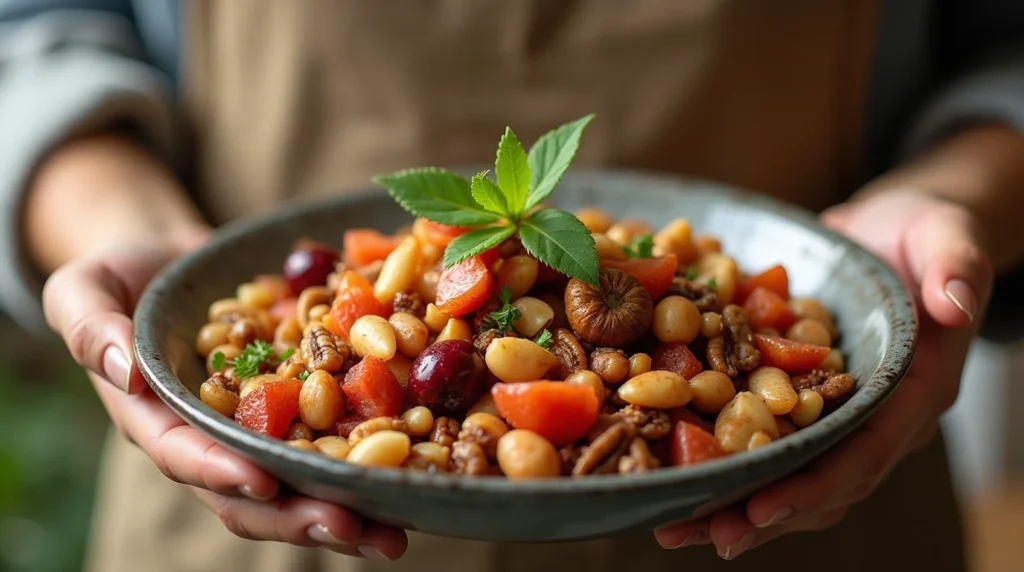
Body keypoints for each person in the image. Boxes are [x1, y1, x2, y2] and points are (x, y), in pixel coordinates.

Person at [3, 1, 1023, 570]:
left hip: (806, 522)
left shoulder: (690, 326)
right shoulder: (320, 350)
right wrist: (124, 229)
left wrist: (956, 197)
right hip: (251, 511)